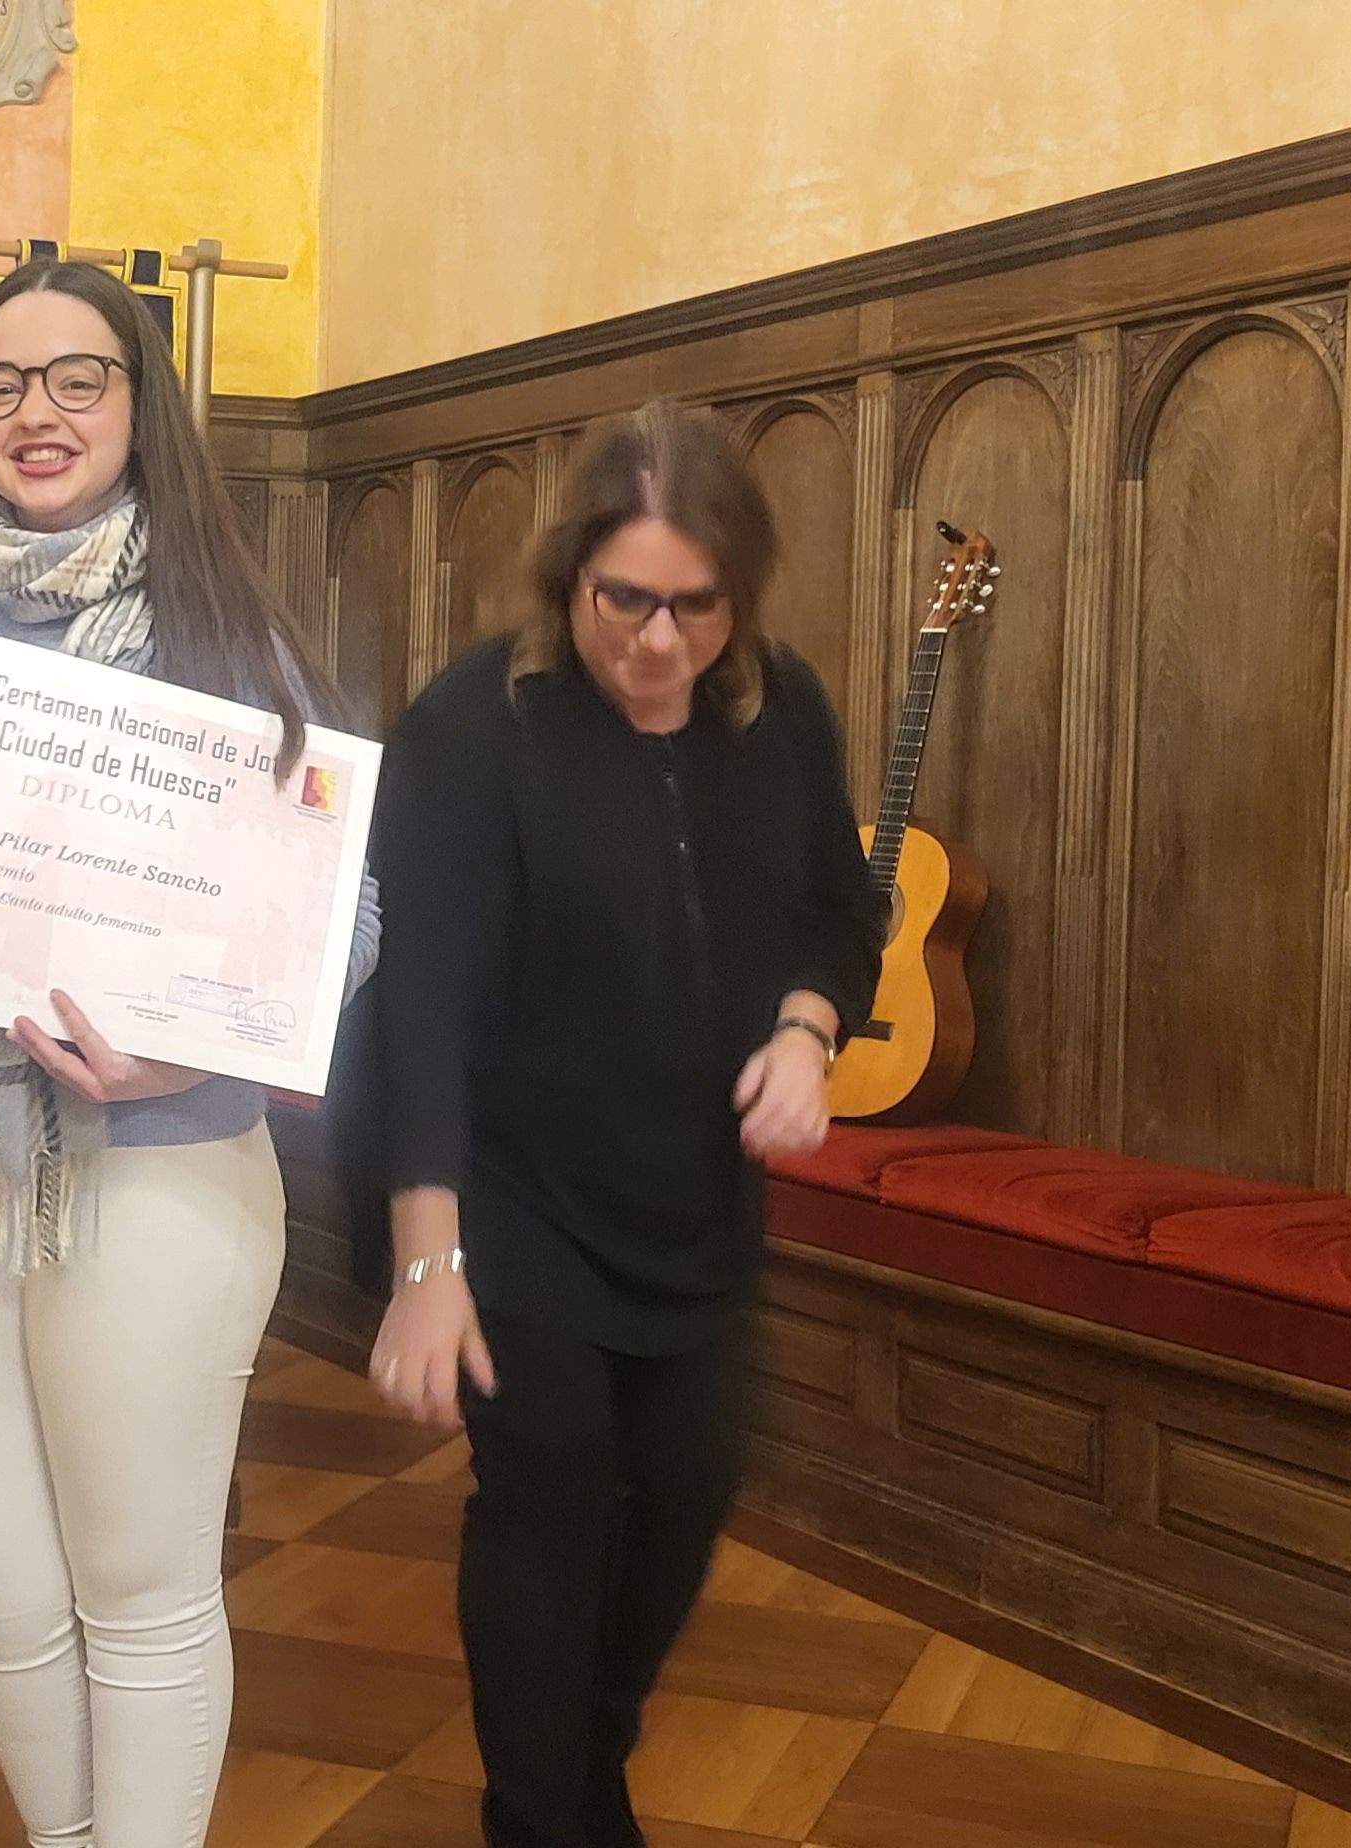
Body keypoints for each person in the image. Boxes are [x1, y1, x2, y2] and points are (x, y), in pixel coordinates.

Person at [0, 256, 371, 1848]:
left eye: (79, 378)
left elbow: (346, 931)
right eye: (4, 384)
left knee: (137, 1589)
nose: (37, 413)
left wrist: (180, 1044)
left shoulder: (227, 634)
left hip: (153, 1175)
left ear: (140, 407)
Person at [360, 399, 886, 1848]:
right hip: (515, 1191)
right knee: (547, 1487)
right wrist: (426, 1259)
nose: (658, 642)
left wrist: (805, 1028)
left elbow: (844, 916)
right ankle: (540, 1815)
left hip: (694, 1193)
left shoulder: (783, 714)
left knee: (689, 1489)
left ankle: (586, 1759)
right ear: (568, 579)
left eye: (694, 607)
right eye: (624, 600)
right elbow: (425, 1007)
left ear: (741, 593)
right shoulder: (477, 725)